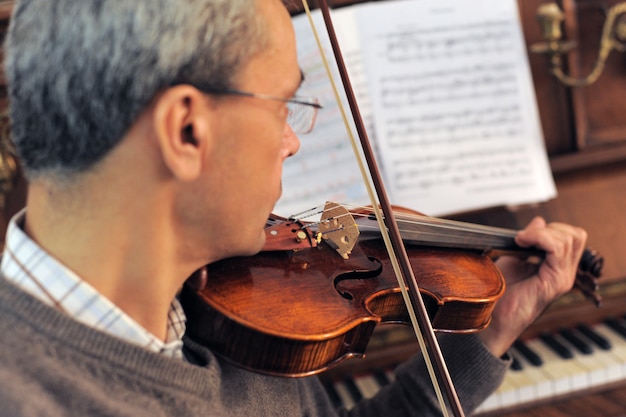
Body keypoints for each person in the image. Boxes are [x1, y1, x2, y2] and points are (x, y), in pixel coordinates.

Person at [0, 0, 587, 416]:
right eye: (284, 106)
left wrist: (490, 332)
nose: (293, 141)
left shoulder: (239, 307)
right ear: (186, 130)